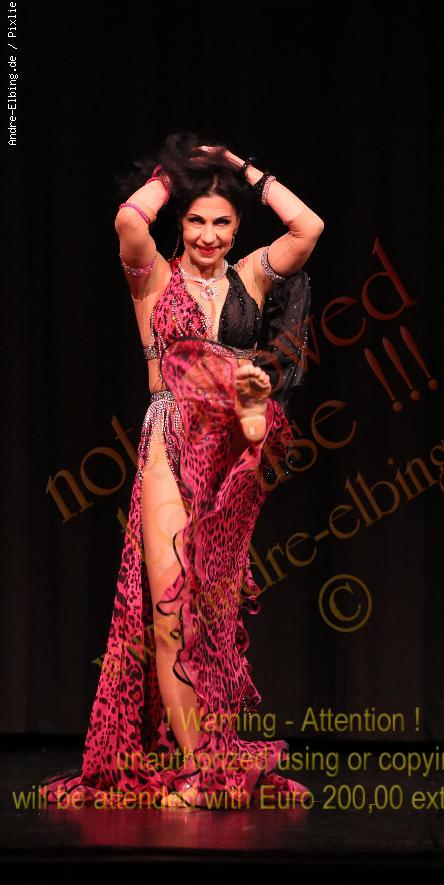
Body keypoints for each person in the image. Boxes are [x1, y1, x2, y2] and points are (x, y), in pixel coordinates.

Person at [39, 133, 323, 810]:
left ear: (237, 228)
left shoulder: (251, 275)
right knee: (170, 614)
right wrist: (176, 172)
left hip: (229, 451)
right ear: (182, 222)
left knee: (209, 618)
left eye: (221, 222)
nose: (208, 235)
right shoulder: (154, 278)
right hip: (171, 438)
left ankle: (210, 754)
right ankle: (199, 769)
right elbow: (128, 220)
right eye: (197, 220)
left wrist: (242, 168)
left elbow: (308, 227)